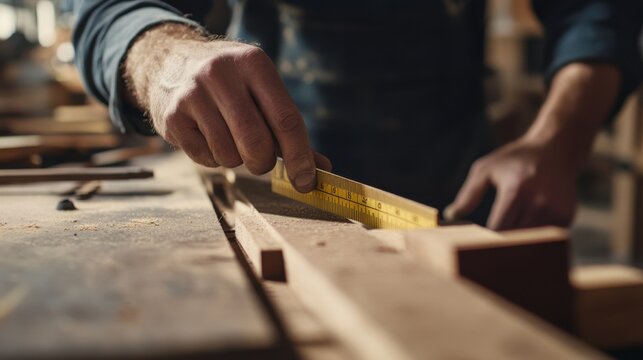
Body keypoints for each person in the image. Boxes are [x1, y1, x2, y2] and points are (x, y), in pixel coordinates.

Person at [71, 0, 642, 229]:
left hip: (461, 187)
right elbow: (105, 9)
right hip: (263, 189)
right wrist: (159, 52)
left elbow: (597, 9)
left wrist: (557, 141)